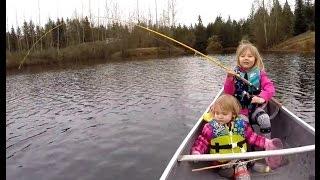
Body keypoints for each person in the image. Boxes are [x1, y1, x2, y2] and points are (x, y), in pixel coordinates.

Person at [191, 94, 280, 179]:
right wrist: (197, 152)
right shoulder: (210, 128)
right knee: (230, 172)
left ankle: (248, 166)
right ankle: (241, 170)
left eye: (224, 114)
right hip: (222, 163)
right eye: (217, 113)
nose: (219, 116)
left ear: (233, 114)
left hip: (240, 157)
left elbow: (253, 137)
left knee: (247, 162)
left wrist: (267, 143)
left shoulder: (241, 125)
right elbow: (202, 141)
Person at [224, 40, 275, 139]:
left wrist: (262, 97)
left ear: (255, 59)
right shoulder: (234, 74)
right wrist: (229, 78)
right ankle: (245, 149)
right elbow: (228, 92)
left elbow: (270, 88)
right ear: (238, 59)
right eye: (242, 56)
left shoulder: (260, 74)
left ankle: (267, 145)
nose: (246, 58)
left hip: (255, 109)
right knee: (241, 126)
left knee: (265, 119)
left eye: (250, 56)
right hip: (240, 110)